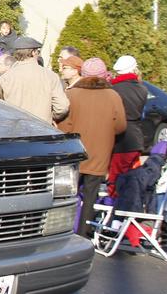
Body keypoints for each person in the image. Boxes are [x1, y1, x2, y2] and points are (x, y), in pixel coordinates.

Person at [56, 57, 126, 235]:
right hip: (99, 152)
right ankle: (83, 232)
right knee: (90, 194)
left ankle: (62, 229)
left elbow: (63, 123)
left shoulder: (72, 94)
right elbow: (121, 126)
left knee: (67, 193)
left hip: (74, 150)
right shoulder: (113, 96)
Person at [0, 36, 69, 124]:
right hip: (42, 129)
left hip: (15, 130)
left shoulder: (5, 78)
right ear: (34, 52)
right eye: (38, 51)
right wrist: (51, 116)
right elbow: (62, 106)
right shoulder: (50, 76)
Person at [107, 55, 149, 192]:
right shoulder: (142, 89)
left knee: (115, 181)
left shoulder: (113, 89)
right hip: (135, 138)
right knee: (132, 182)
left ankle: (114, 209)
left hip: (120, 140)